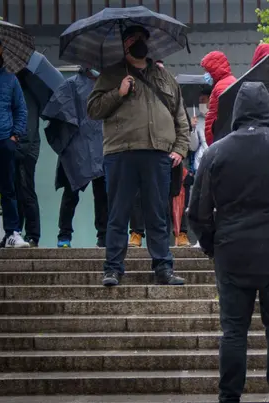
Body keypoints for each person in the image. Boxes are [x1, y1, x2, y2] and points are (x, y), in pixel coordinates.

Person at [189, 82, 269, 403]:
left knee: (233, 332)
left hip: (234, 255)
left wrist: (215, 246)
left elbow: (198, 213)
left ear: (238, 111)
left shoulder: (216, 152)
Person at [87, 25, 189, 287]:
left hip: (158, 154)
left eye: (143, 38)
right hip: (121, 152)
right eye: (133, 39)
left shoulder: (165, 78)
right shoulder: (110, 75)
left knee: (157, 213)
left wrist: (179, 148)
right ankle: (112, 268)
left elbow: (181, 117)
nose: (139, 43)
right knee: (118, 214)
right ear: (124, 45)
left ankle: (163, 267)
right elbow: (93, 110)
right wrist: (118, 93)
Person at [42, 67, 107, 248]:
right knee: (71, 193)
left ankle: (103, 236)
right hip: (77, 147)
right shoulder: (71, 84)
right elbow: (57, 111)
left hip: (100, 146)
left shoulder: (106, 85)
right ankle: (64, 235)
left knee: (102, 194)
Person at [0, 38, 30, 248]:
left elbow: (21, 109)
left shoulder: (10, 79)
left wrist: (14, 136)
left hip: (4, 140)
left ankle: (12, 232)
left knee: (8, 189)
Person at [14, 84, 41, 247]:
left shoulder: (27, 93)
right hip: (17, 148)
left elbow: (28, 127)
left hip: (25, 150)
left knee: (26, 191)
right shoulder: (18, 90)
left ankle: (33, 234)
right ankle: (16, 232)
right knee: (17, 192)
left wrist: (19, 148)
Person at [201, 51, 236, 146]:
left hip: (221, 141)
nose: (205, 75)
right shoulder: (226, 82)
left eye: (206, 71)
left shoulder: (222, 86)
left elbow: (225, 116)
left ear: (213, 69)